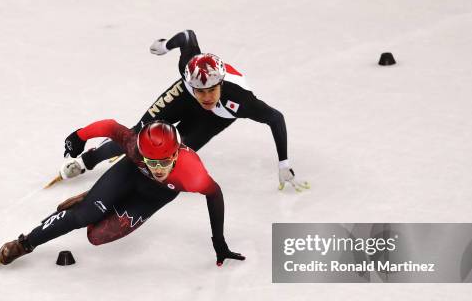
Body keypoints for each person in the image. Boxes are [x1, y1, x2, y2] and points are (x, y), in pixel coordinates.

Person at [59, 29, 309, 192]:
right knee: (139, 134)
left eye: (212, 90)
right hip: (181, 97)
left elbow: (276, 118)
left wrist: (283, 162)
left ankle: (129, 178)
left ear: (220, 84)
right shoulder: (188, 68)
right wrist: (166, 45)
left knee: (171, 154)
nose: (207, 97)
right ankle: (87, 160)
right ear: (190, 81)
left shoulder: (241, 100)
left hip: (216, 119)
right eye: (201, 91)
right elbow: (188, 37)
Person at [0, 120, 245, 268]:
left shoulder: (193, 173)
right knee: (83, 216)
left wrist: (219, 243)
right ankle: (25, 242)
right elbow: (110, 127)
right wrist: (78, 136)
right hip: (129, 173)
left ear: (177, 154)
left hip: (153, 197)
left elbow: (215, 194)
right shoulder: (134, 146)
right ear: (141, 151)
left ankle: (94, 197)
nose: (157, 168)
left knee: (95, 236)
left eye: (164, 161)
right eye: (151, 160)